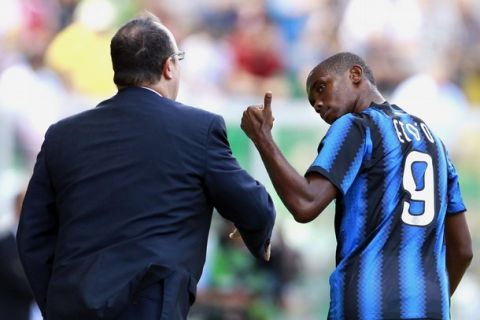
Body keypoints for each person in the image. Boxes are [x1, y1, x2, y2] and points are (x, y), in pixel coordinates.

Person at [16, 13, 275, 320]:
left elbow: (31, 236)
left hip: (72, 307)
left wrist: (58, 305)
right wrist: (255, 235)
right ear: (169, 67)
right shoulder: (198, 129)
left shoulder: (62, 135)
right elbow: (254, 208)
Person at [241, 52, 473, 319]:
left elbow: (305, 204)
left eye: (321, 88)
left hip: (367, 303)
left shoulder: (357, 126)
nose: (317, 103)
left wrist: (263, 139)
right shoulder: (434, 141)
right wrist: (428, 298)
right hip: (431, 307)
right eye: (312, 101)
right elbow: (463, 250)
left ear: (355, 75)